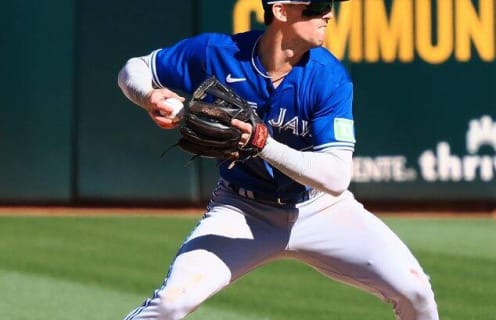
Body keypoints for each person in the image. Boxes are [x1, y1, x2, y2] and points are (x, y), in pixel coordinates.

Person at [116, 0, 439, 319]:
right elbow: (136, 68)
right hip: (242, 208)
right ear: (281, 11)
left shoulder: (329, 77)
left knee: (416, 292)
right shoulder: (218, 53)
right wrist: (149, 95)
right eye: (316, 6)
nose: (328, 14)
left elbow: (336, 177)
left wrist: (262, 144)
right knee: (171, 303)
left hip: (320, 208)